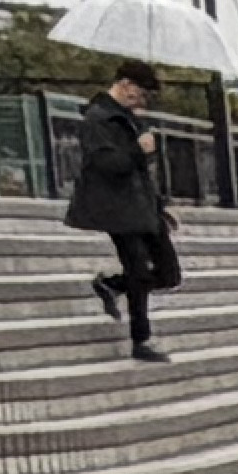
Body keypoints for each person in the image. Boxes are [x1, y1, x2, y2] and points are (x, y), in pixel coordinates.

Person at [65, 65, 178, 362]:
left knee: (169, 273)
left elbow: (141, 171)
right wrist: (139, 150)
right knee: (138, 271)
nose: (142, 101)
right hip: (116, 207)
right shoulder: (98, 119)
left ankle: (111, 285)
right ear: (126, 84)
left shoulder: (129, 119)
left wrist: (159, 206)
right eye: (140, 93)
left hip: (142, 205)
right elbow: (106, 165)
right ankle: (141, 340)